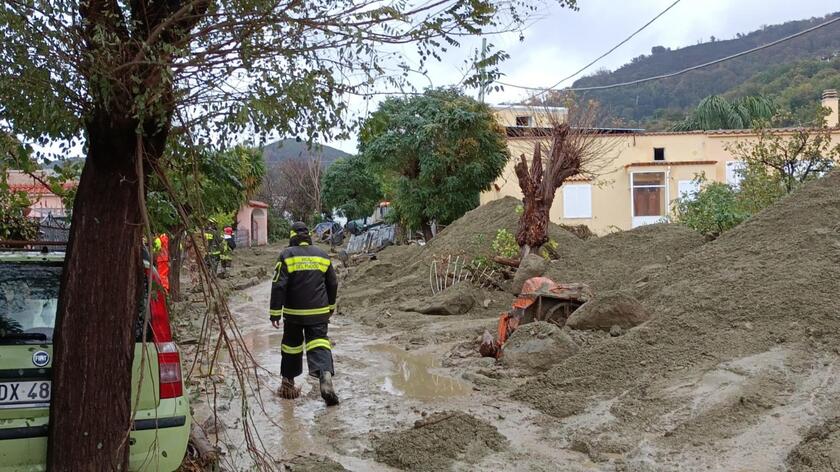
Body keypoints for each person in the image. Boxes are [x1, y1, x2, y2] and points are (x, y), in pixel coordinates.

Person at [270, 221, 339, 406]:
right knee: (319, 343)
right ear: (308, 236)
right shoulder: (322, 255)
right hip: (319, 312)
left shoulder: (286, 255)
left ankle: (288, 384)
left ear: (292, 236)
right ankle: (324, 377)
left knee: (291, 346)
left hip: (294, 314)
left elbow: (278, 285)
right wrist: (330, 307)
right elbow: (332, 283)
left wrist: (275, 313)